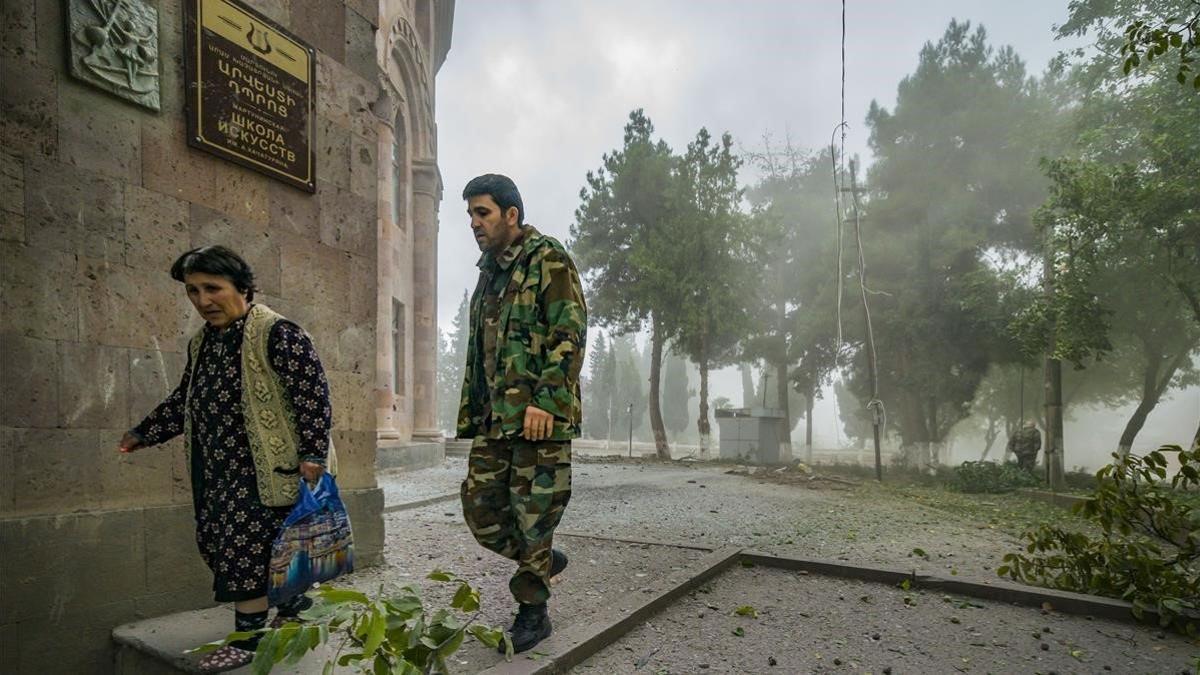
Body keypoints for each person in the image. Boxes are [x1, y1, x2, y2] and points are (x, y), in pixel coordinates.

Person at [119, 245, 335, 671]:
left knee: (246, 554)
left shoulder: (278, 333)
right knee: (241, 548)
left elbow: (313, 396)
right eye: (192, 291)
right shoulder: (201, 343)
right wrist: (146, 432)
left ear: (242, 287)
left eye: (212, 288)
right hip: (218, 470)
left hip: (267, 471)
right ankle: (295, 606)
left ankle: (248, 639)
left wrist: (312, 453)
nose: (203, 301)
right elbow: (186, 399)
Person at [457, 174, 587, 654]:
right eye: (470, 214)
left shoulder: (547, 259)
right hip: (496, 417)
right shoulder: (489, 271)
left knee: (533, 513)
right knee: (481, 509)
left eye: (482, 212)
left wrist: (546, 401)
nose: (473, 223)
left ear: (511, 215)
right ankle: (541, 558)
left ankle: (533, 612)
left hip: (539, 417)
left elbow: (569, 333)